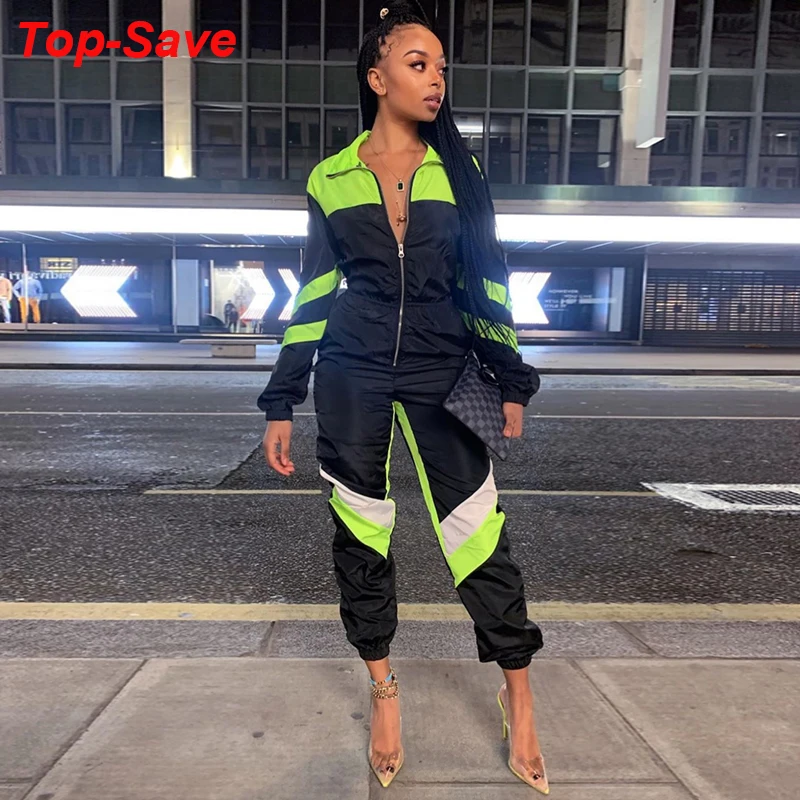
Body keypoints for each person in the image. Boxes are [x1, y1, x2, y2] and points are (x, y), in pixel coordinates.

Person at [257, 2, 547, 792]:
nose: (436, 80)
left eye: (442, 68)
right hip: (350, 369)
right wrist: (282, 397)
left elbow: (487, 281)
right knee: (361, 532)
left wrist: (510, 377)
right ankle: (384, 690)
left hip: (441, 366)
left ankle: (519, 694)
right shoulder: (330, 177)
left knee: (476, 531)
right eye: (419, 64)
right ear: (377, 77)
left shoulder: (458, 172)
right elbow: (315, 291)